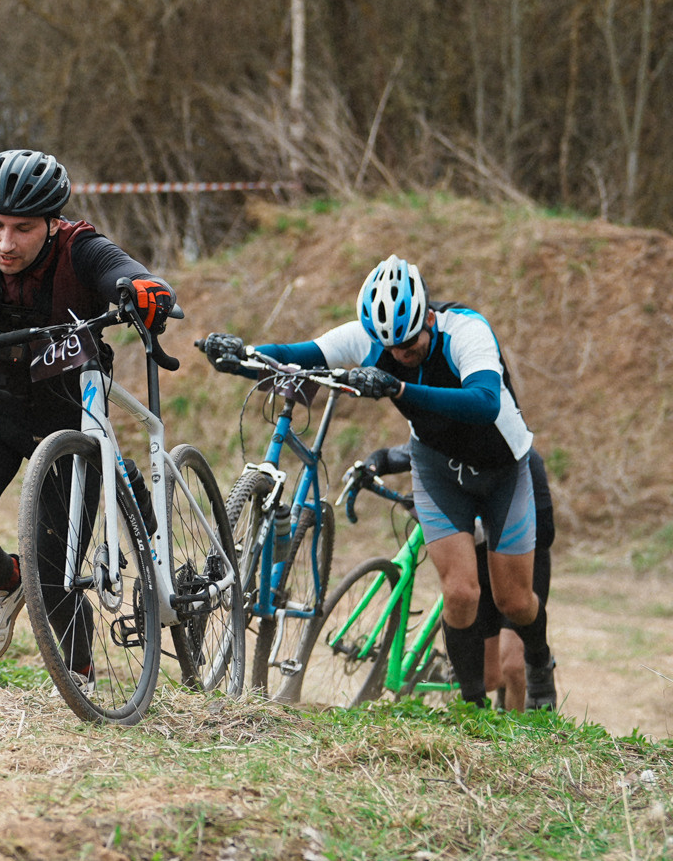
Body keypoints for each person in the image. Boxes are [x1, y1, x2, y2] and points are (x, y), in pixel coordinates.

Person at [205, 256, 557, 710]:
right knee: (460, 593)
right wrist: (240, 357)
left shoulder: (466, 331)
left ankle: (540, 660)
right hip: (437, 468)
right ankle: (472, 710)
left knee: (515, 601)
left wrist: (398, 388)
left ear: (428, 318)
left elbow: (485, 401)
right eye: (390, 348)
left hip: (504, 469)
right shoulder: (370, 339)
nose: (400, 354)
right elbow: (299, 355)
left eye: (409, 344)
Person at [0, 150, 175, 673]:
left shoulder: (81, 247)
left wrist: (147, 291)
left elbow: (127, 274)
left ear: (53, 224)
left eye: (24, 229)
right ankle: (8, 582)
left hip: (70, 415)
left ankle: (82, 682)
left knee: (54, 576)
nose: (5, 243)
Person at [355, 443, 556, 711]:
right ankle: (493, 702)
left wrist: (492, 521)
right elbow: (391, 457)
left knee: (512, 665)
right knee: (490, 677)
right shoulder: (444, 442)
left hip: (521, 564)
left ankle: (518, 728)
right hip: (480, 565)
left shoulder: (523, 457)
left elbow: (545, 533)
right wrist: (369, 466)